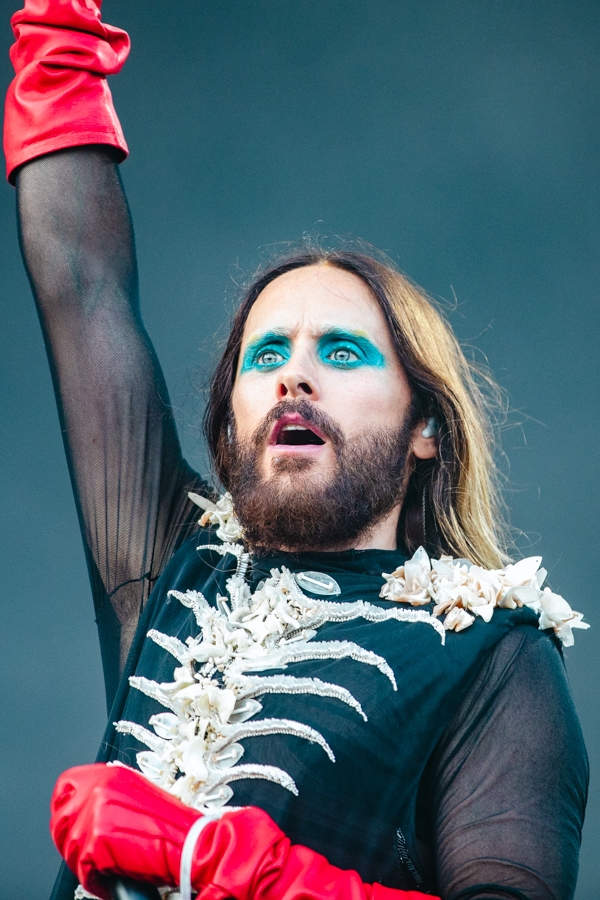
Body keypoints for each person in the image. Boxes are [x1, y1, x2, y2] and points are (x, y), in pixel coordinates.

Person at [4, 2, 589, 900]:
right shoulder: (174, 567)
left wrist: (220, 861)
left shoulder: (495, 657)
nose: (293, 376)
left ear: (427, 427)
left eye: (342, 352)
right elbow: (84, 285)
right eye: (265, 354)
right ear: (230, 421)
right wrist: (58, 34)